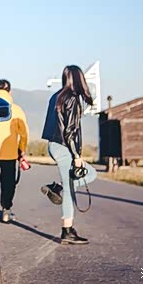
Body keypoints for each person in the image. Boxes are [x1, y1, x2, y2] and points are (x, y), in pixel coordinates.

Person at [40, 65, 98, 244]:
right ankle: (67, 231)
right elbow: (70, 131)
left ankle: (58, 188)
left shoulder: (56, 96)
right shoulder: (72, 98)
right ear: (79, 79)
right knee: (84, 178)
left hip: (53, 145)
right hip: (64, 147)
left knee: (71, 185)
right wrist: (76, 156)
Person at [0, 79, 29, 222]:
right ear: (10, 92)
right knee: (8, 184)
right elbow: (24, 133)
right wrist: (21, 149)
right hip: (9, 153)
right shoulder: (16, 109)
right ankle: (6, 211)